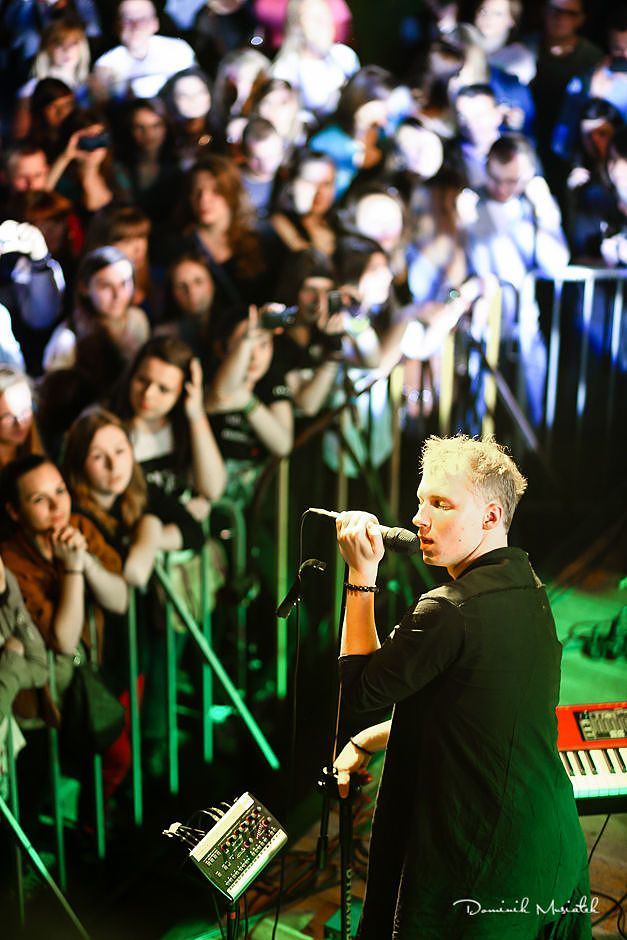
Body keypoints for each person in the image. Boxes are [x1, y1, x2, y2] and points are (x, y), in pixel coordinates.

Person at [332, 433, 591, 939]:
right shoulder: (528, 587)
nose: (419, 519)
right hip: (553, 848)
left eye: (441, 504)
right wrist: (368, 740)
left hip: (486, 872)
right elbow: (469, 714)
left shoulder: (448, 609)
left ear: (491, 516)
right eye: (420, 501)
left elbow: (359, 689)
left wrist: (361, 575)